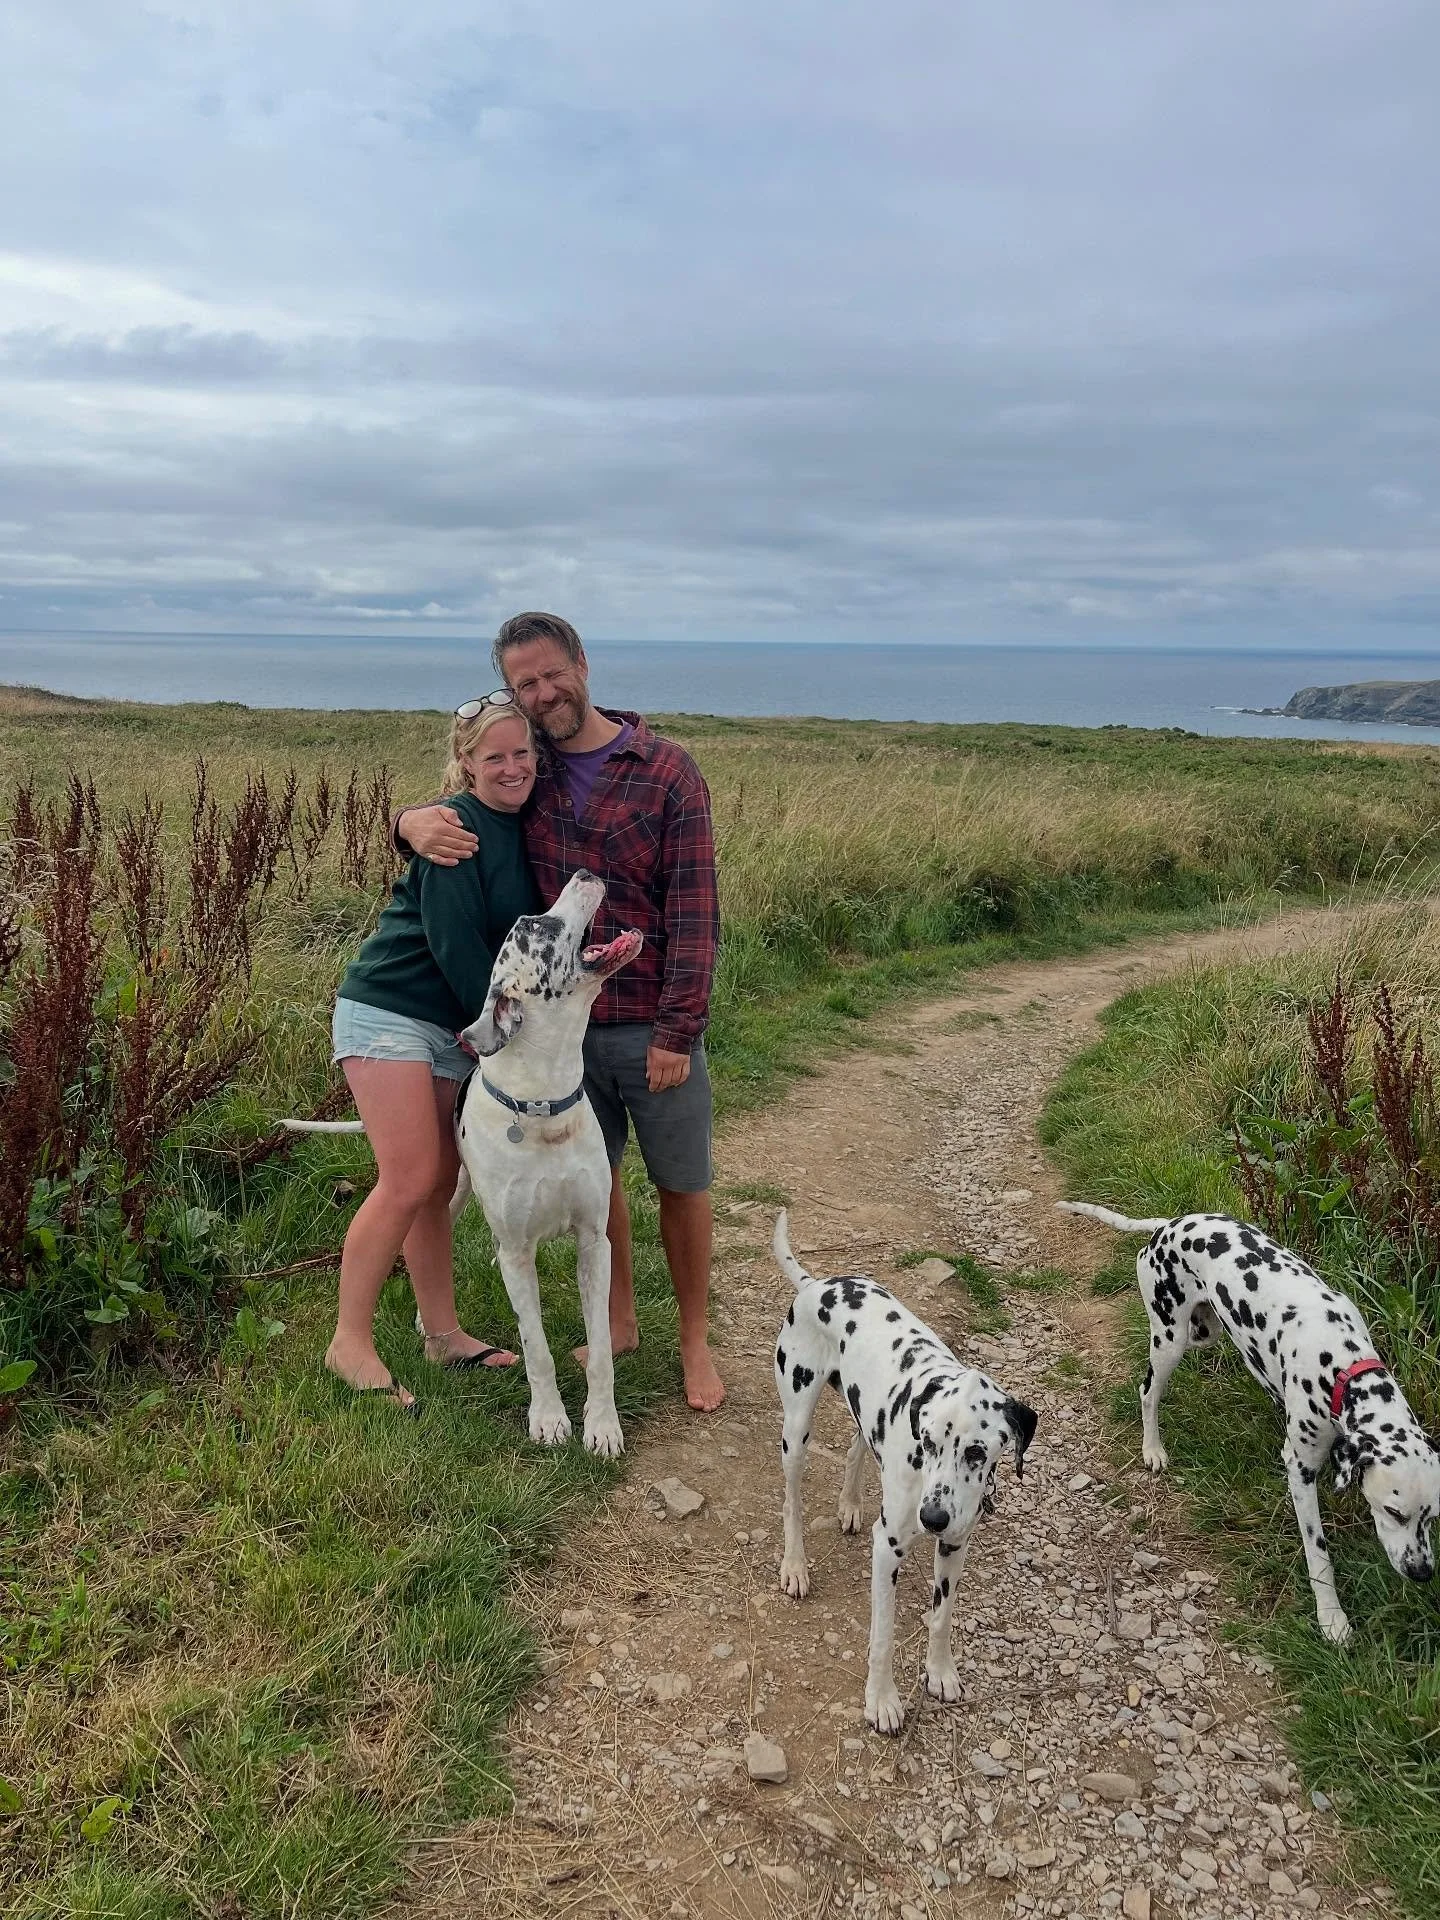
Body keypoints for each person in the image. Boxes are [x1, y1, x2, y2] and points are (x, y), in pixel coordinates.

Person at [396, 612, 724, 1411]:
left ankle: (693, 1343)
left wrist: (677, 1031)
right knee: (600, 1184)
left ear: (582, 662)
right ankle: (617, 1325)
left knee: (681, 1183)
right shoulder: (525, 769)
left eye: (551, 674)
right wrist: (405, 825)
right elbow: (462, 805)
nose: (543, 694)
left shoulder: (667, 771)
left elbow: (695, 911)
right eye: (524, 684)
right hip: (561, 1040)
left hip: (649, 1024)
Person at [326, 696, 540, 1412]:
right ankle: (349, 1342)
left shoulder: (526, 824)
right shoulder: (454, 829)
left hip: (451, 1025)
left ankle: (441, 1333)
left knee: (440, 1182)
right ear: (467, 765)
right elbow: (454, 947)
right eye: (494, 757)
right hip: (390, 1008)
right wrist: (503, 1041)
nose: (511, 768)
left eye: (522, 754)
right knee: (411, 1175)